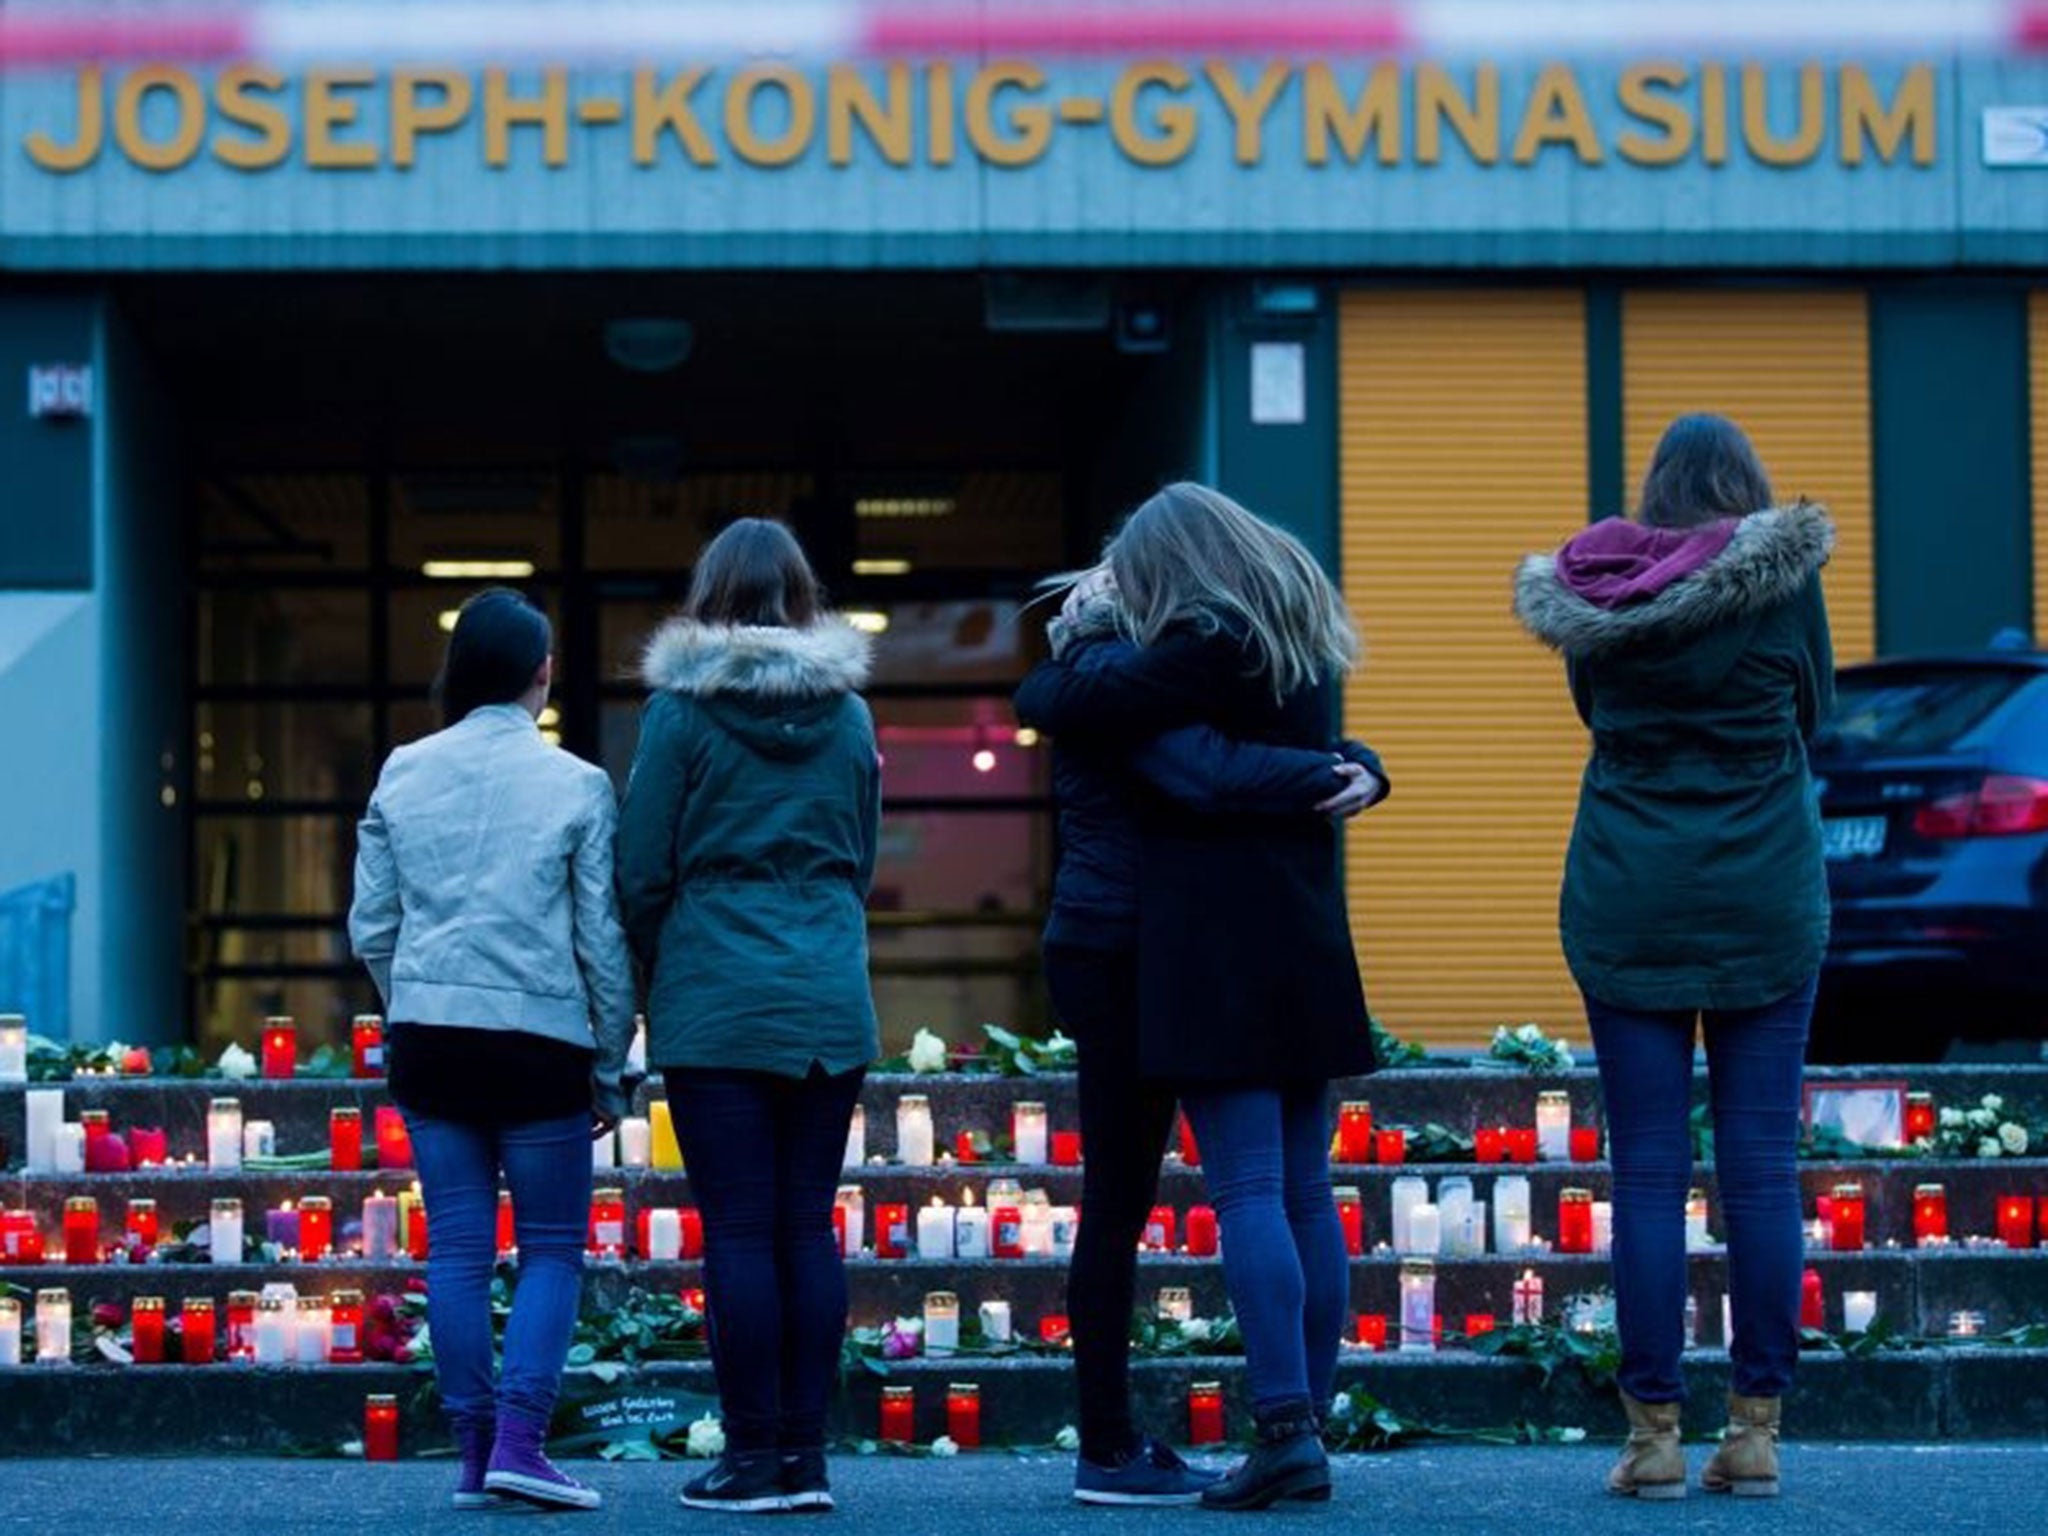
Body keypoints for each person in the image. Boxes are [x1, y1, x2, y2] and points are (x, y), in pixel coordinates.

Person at [1014, 483, 1379, 1512]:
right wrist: (1344, 767)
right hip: (1303, 930)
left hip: (1215, 941)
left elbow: (1193, 769)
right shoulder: (1292, 622)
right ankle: (1309, 1419)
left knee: (1253, 1192)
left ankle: (1283, 1429)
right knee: (1307, 1191)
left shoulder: (1189, 649)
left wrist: (1065, 663)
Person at [1513, 413, 1835, 1501]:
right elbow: (1814, 712)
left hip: (1628, 897)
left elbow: (1591, 713)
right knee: (1758, 1170)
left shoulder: (1602, 590)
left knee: (1645, 1173)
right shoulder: (1784, 584)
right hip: (1764, 898)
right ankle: (1753, 1433)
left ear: (1651, 493)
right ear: (1747, 485)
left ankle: (1650, 1440)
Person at [349, 587, 636, 1513]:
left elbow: (372, 927)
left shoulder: (403, 769)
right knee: (551, 1249)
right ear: (542, 675)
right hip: (539, 1045)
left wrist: (415, 1004)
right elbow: (600, 939)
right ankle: (522, 1441)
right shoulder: (578, 783)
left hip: (430, 1042)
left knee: (460, 1251)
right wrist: (610, 1066)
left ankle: (475, 1453)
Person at [616, 519, 880, 1517]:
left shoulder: (680, 716)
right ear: (801, 597)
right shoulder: (849, 717)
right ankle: (805, 1459)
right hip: (824, 993)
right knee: (804, 1227)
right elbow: (859, 853)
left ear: (710, 594)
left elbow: (642, 865)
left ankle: (750, 1458)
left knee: (736, 1230)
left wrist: (656, 953)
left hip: (716, 992)